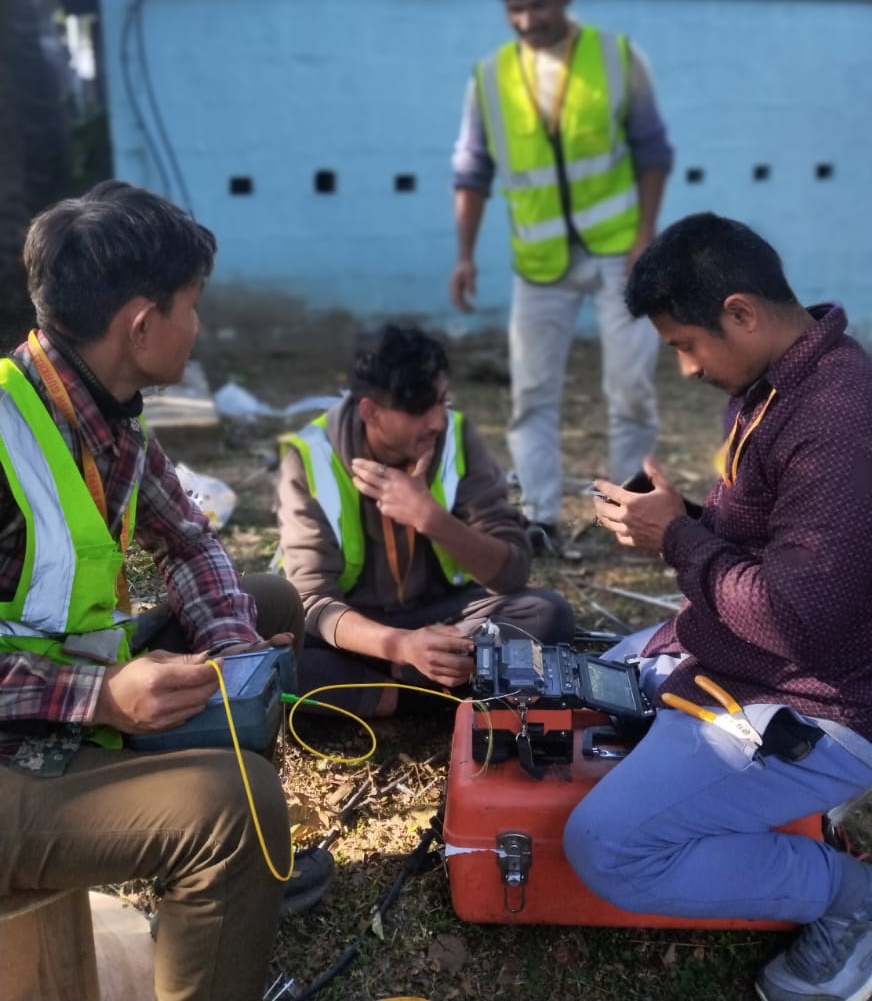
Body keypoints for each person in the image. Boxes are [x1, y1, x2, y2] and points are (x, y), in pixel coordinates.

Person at [563, 212, 872, 1001]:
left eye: (686, 345)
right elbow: (766, 545)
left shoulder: (842, 425)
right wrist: (684, 522)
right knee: (595, 684)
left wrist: (679, 541)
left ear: (741, 312)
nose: (688, 369)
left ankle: (866, 905)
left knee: (606, 847)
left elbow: (796, 618)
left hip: (821, 705)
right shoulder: (777, 388)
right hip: (745, 663)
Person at [0, 182, 332, 1001]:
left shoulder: (102, 411)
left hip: (59, 699)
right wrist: (101, 699)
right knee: (233, 806)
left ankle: (225, 893)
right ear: (142, 325)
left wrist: (234, 649)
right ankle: (223, 856)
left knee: (268, 606)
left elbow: (186, 539)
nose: (201, 325)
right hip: (20, 743)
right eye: (194, 304)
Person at [449, 0, 675, 558]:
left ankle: (629, 515)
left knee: (630, 387)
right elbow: (471, 172)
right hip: (539, 263)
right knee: (531, 394)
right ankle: (540, 517)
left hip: (617, 255)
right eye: (514, 9)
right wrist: (465, 255)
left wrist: (645, 238)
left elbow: (653, 152)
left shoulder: (619, 57)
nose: (528, 20)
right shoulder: (488, 77)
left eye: (539, 5)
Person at [275, 323, 575, 716]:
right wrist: (400, 645)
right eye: (419, 409)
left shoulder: (456, 438)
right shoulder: (310, 458)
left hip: (449, 617)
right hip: (361, 632)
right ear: (371, 412)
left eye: (440, 401)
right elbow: (313, 601)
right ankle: (446, 688)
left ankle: (396, 692)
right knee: (280, 663)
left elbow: (512, 573)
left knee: (547, 613)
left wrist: (430, 517)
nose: (436, 421)